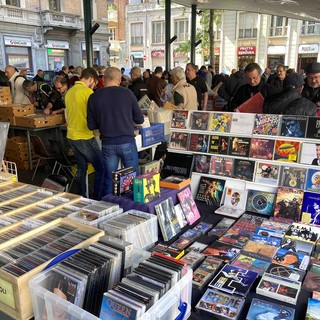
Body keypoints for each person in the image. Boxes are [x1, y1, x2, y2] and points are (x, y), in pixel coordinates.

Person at [87, 67, 144, 195]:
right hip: (127, 141)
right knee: (133, 178)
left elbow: (91, 126)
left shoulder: (94, 97)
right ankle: (134, 208)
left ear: (103, 79)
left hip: (107, 143)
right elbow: (139, 119)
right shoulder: (127, 94)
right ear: (119, 80)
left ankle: (109, 207)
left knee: (109, 179)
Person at [65, 67, 105, 200]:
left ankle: (82, 196)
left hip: (71, 135)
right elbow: (96, 113)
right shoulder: (87, 92)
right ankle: (98, 198)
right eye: (95, 83)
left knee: (81, 168)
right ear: (91, 79)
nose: (94, 87)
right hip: (85, 136)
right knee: (101, 167)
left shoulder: (69, 92)